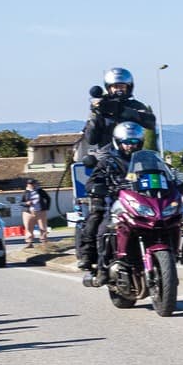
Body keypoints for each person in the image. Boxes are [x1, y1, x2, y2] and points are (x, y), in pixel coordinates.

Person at [77, 121, 149, 286]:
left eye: (134, 142)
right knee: (105, 230)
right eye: (126, 142)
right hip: (116, 204)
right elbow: (92, 181)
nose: (130, 146)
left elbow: (162, 174)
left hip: (142, 203)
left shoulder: (146, 160)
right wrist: (97, 187)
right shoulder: (108, 161)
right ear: (118, 142)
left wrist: (177, 184)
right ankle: (102, 268)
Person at [20, 179, 50, 246]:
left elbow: (48, 198)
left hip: (40, 211)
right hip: (28, 212)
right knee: (28, 228)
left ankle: (44, 241)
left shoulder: (40, 191)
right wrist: (26, 203)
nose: (32, 185)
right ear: (27, 185)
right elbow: (21, 202)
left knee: (43, 227)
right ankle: (29, 242)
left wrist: (46, 208)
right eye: (30, 184)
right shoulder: (26, 192)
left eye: (33, 184)